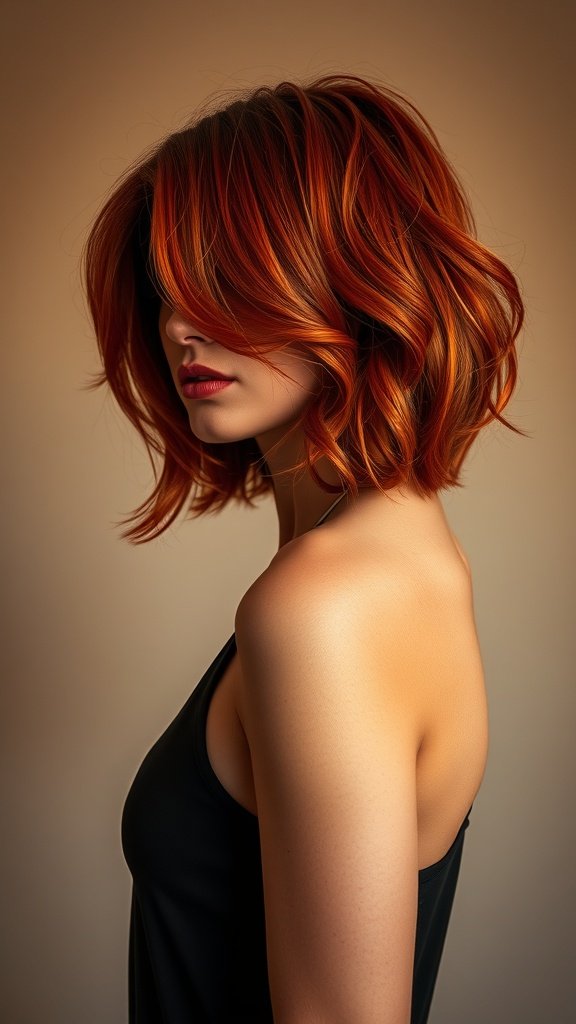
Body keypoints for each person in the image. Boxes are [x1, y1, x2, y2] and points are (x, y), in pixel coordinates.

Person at [82, 72, 525, 1023]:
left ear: (349, 270)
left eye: (224, 278)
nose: (177, 326)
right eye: (167, 288)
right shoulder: (406, 559)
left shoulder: (327, 604)